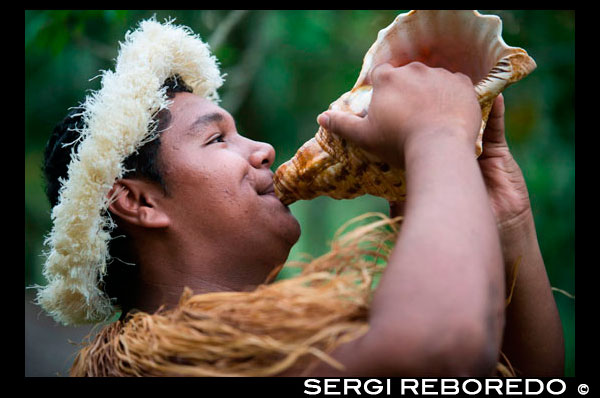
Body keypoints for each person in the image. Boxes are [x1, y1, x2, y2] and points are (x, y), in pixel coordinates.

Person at [36, 17, 563, 377]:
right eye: (217, 138)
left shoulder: (265, 344)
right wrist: (438, 135)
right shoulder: (175, 365)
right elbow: (439, 350)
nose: (263, 150)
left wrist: (506, 222)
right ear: (139, 202)